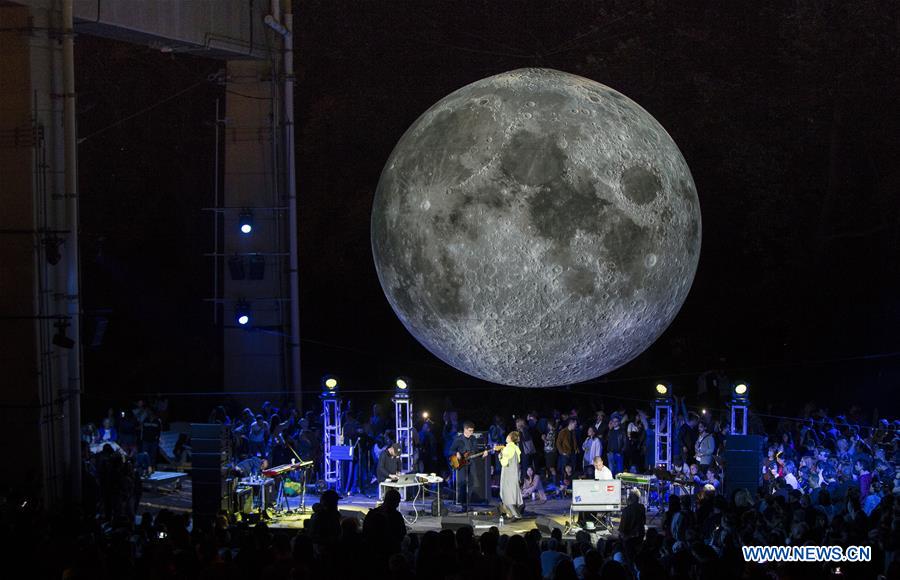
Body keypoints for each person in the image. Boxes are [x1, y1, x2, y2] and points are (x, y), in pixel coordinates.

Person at [449, 421, 488, 509]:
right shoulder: (458, 439)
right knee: (462, 483)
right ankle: (462, 503)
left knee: (472, 483)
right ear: (465, 430)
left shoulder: (473, 439)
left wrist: (483, 454)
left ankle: (467, 503)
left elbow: (476, 452)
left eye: (472, 431)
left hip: (471, 463)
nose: (471, 432)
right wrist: (457, 453)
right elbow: (450, 450)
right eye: (470, 431)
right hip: (461, 464)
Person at [499, 431, 523, 519]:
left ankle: (516, 514)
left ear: (510, 438)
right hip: (514, 474)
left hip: (508, 475)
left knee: (506, 495)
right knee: (509, 495)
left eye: (508, 436)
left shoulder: (509, 448)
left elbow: (504, 462)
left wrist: (500, 455)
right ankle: (510, 513)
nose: (506, 437)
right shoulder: (515, 448)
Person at [606, 413, 626, 477]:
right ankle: (613, 484)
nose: (614, 423)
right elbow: (608, 441)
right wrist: (608, 452)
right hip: (610, 453)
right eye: (613, 421)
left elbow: (625, 444)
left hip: (618, 454)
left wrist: (621, 452)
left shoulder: (622, 432)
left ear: (619, 422)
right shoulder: (610, 431)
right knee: (611, 471)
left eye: (616, 421)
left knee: (619, 471)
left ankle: (619, 484)